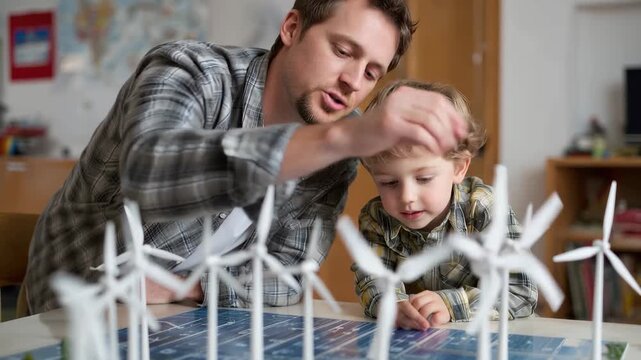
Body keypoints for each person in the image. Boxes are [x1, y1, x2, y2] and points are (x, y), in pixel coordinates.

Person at [25, 0, 468, 314]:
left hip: (180, 319)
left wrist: (192, 288)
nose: (354, 81)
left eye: (372, 71)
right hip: (64, 312)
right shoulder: (189, 72)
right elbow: (152, 173)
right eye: (342, 50)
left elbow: (290, 273)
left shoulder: (337, 153)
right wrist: (337, 139)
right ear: (291, 28)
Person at [353, 79, 537, 330]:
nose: (407, 196)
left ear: (459, 168)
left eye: (424, 178)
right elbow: (372, 281)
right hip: (418, 338)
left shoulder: (483, 207)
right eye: (389, 183)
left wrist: (452, 304)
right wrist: (391, 305)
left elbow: (521, 291)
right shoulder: (376, 218)